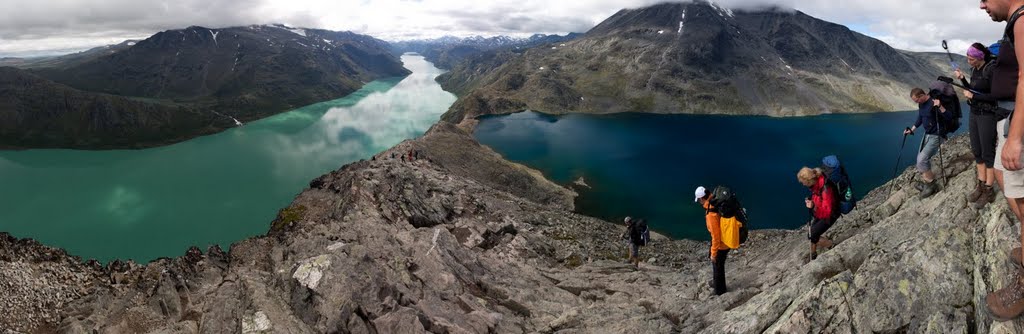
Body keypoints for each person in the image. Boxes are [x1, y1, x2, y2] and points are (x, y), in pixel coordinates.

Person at [982, 0, 1024, 320]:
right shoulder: (1014, 23)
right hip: (1008, 118)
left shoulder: (1023, 18)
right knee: (1001, 178)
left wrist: (1015, 138)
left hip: (1017, 125)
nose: (982, 5)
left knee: (1022, 198)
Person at [956, 43, 1000, 209]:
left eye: (971, 58)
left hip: (988, 115)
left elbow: (995, 96)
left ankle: (989, 189)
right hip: (975, 114)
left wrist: (974, 97)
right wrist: (963, 80)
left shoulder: (990, 69)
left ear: (980, 57)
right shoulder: (974, 70)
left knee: (988, 152)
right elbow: (974, 90)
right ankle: (980, 185)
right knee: (977, 150)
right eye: (968, 57)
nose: (968, 61)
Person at [903, 87, 953, 198]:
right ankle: (927, 183)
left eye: (916, 100)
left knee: (921, 160)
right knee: (920, 159)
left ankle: (931, 186)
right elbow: (920, 118)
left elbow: (949, 117)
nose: (916, 103)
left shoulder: (934, 103)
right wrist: (911, 130)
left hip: (937, 135)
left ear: (921, 96)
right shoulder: (921, 105)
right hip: (927, 135)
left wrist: (940, 106)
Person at [695, 186, 728, 295]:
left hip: (721, 244)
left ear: (701, 199)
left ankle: (720, 291)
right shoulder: (715, 201)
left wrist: (713, 253)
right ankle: (718, 284)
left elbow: (716, 236)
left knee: (717, 265)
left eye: (699, 200)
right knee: (720, 265)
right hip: (725, 240)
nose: (699, 203)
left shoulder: (711, 214)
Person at [797, 167, 836, 260]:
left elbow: (827, 210)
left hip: (831, 214)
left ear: (809, 180)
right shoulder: (817, 183)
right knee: (812, 233)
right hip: (821, 212)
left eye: (803, 182)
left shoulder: (826, 188)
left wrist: (813, 207)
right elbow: (818, 197)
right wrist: (812, 201)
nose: (803, 184)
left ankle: (832, 245)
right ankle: (813, 254)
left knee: (812, 235)